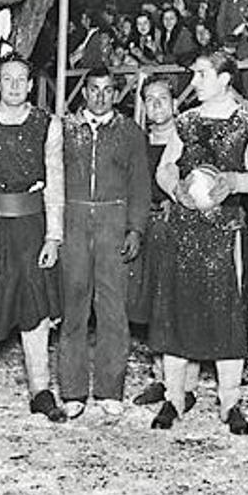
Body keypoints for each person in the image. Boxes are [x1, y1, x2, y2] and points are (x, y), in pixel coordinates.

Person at [150, 50, 248, 434]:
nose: (195, 81)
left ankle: (230, 403)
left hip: (225, 234)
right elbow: (165, 168)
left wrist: (236, 181)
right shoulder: (185, 121)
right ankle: (174, 398)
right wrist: (176, 190)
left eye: (202, 75)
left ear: (225, 79)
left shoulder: (247, 124)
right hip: (186, 231)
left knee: (227, 315)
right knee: (178, 309)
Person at [0, 53, 68, 426]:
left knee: (35, 308)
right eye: (8, 79)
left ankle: (40, 390)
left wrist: (53, 236)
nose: (16, 86)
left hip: (31, 227)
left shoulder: (46, 124)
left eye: (22, 79)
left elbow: (55, 181)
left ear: (31, 84)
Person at [58, 68, 150, 419]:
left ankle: (111, 388)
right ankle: (73, 389)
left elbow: (140, 186)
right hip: (75, 220)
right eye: (93, 90)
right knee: (75, 304)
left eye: (107, 90)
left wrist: (135, 229)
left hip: (114, 219)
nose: (100, 97)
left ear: (116, 94)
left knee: (113, 307)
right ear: (84, 92)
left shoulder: (129, 133)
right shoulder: (65, 130)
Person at [129, 77, 195, 413]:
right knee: (154, 303)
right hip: (150, 228)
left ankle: (187, 383)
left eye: (162, 99)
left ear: (174, 102)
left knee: (180, 303)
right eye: (149, 100)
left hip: (180, 230)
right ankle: (162, 376)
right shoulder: (138, 142)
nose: (156, 106)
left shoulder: (188, 140)